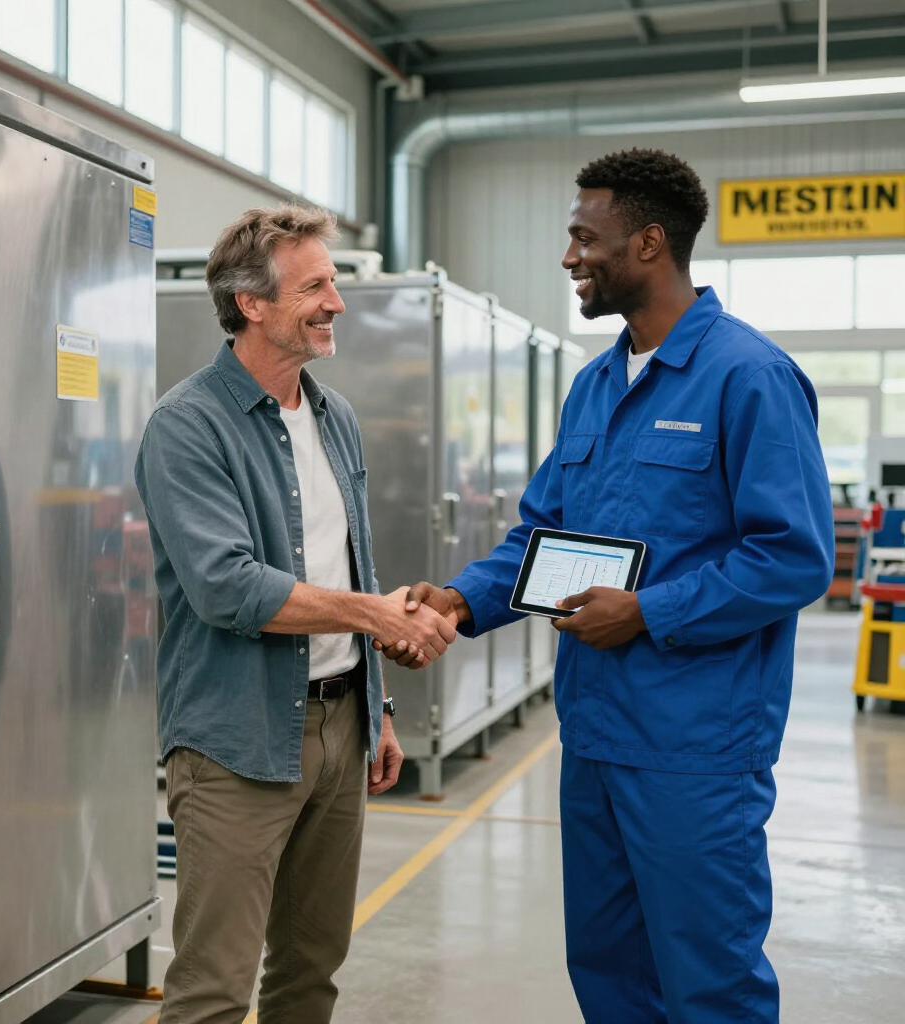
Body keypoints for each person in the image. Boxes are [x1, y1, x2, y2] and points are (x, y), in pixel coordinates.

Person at [380, 149, 834, 1023]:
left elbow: (793, 555)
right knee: (608, 969)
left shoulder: (749, 377)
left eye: (585, 238)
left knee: (710, 981)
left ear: (650, 244)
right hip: (593, 735)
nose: (569, 257)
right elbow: (543, 537)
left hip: (694, 747)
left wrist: (648, 611)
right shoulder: (595, 386)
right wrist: (461, 601)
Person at [135, 204, 456, 1024]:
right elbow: (227, 588)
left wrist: (378, 702)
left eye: (333, 283)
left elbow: (351, 563)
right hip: (236, 739)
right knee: (214, 989)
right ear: (251, 303)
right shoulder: (187, 425)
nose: (335, 303)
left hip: (343, 724)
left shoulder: (333, 416)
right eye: (314, 287)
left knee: (311, 971)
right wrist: (378, 616)